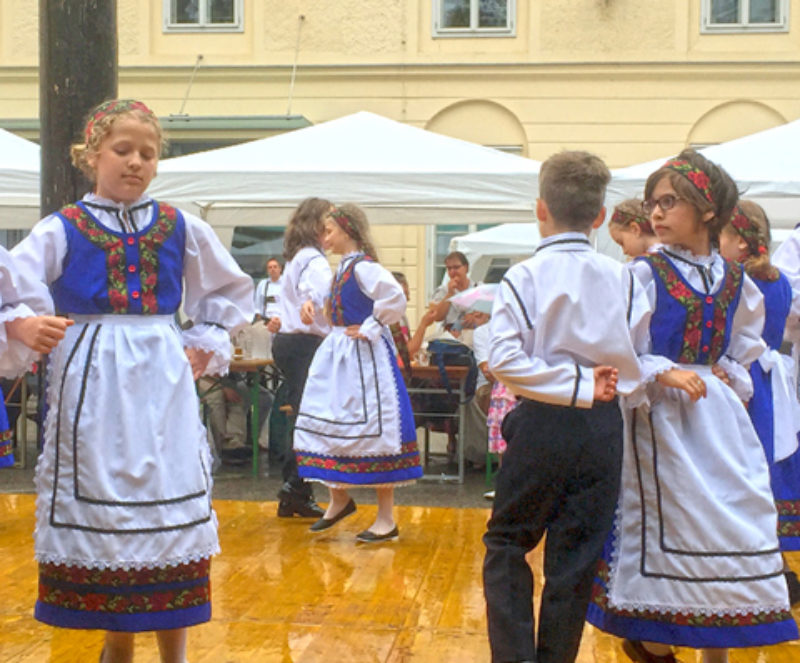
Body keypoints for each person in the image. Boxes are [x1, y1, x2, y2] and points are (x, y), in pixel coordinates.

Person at [10, 99, 254, 663]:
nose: (136, 162)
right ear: (91, 155)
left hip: (160, 377)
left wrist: (206, 339)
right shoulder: (63, 227)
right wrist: (24, 321)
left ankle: (176, 654)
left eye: (148, 153)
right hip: (91, 379)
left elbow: (229, 290)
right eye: (123, 150)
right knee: (108, 505)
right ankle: (116, 646)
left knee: (169, 503)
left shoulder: (178, 225)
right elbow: (14, 282)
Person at [586, 150, 798, 663]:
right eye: (652, 202)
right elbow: (617, 347)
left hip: (718, 421)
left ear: (707, 210)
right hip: (659, 417)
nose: (655, 213)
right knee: (671, 524)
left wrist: (730, 370)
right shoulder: (643, 273)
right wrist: (663, 370)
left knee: (731, 518)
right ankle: (653, 641)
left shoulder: (734, 279)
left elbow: (746, 345)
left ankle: (713, 649)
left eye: (669, 202)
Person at [483, 150, 649, 663]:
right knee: (575, 559)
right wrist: (594, 385)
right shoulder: (626, 278)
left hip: (543, 421)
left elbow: (501, 357)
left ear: (540, 209)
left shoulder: (525, 276)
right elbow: (638, 353)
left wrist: (572, 383)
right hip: (602, 428)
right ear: (600, 217)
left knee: (508, 543)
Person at [294, 204, 423, 542]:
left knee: (376, 433)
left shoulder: (364, 268)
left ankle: (386, 518)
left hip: (364, 358)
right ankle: (339, 498)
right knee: (327, 423)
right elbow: (334, 311)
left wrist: (372, 325)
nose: (325, 237)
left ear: (347, 231)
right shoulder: (343, 269)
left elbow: (393, 296)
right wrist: (312, 308)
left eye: (330, 231)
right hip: (340, 355)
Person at [719, 201, 800, 603]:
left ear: (739, 241)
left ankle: (751, 567)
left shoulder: (736, 281)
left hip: (745, 378)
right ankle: (778, 569)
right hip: (769, 380)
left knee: (746, 465)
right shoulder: (781, 279)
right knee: (772, 463)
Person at [269, 197, 333, 519]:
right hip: (305, 343)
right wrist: (313, 301)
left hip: (289, 343)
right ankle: (295, 485)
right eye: (330, 221)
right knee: (310, 416)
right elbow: (316, 291)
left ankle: (294, 491)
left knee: (301, 413)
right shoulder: (314, 260)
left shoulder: (297, 257)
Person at [430, 251, 478, 332]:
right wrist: (449, 294)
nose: (452, 272)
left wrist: (474, 316)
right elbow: (437, 317)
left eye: (456, 267)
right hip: (450, 337)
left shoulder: (477, 288)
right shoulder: (442, 291)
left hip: (473, 337)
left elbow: (488, 313)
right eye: (449, 268)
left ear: (466, 268)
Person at [254, 256, 283, 322]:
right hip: (266, 322)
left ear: (280, 268)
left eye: (275, 267)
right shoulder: (262, 284)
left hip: (282, 322)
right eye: (270, 267)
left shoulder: (286, 284)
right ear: (267, 270)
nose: (273, 269)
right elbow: (257, 306)